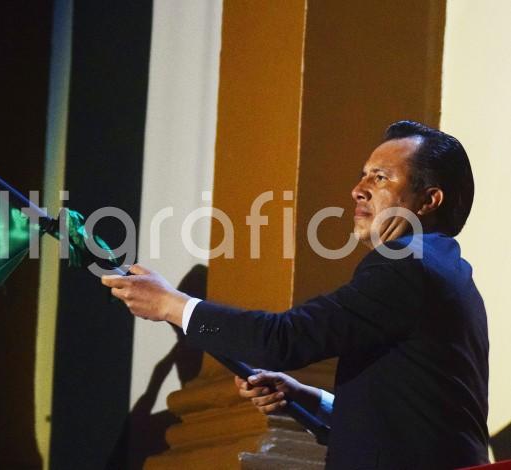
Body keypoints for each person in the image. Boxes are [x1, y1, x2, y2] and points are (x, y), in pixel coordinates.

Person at [102, 121, 489, 469]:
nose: (358, 190)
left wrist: (171, 304)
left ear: (429, 199)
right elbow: (413, 415)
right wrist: (309, 399)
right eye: (362, 176)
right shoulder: (443, 270)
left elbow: (282, 339)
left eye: (380, 178)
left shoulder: (406, 264)